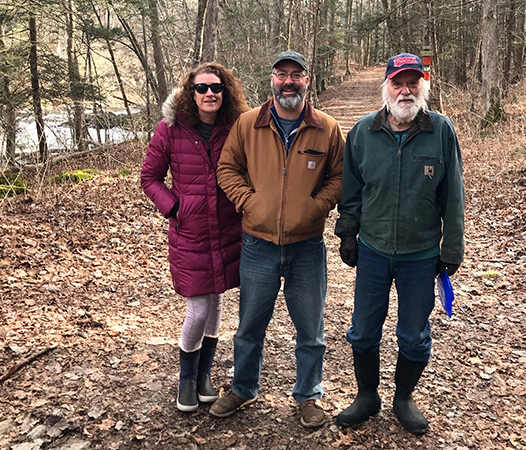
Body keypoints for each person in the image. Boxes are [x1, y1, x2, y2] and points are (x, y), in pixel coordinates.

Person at [210, 51, 345, 428]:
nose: (288, 81)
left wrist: (316, 206)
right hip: (258, 243)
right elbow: (227, 168)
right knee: (250, 325)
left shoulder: (327, 128)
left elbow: (339, 176)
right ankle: (243, 387)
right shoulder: (247, 124)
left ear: (307, 81)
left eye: (296, 75)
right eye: (281, 74)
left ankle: (308, 396)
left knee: (311, 329)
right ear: (271, 80)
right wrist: (249, 203)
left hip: (307, 247)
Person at [334, 53, 465, 435]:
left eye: (413, 82)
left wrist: (451, 249)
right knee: (363, 329)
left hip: (421, 255)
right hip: (373, 250)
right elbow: (352, 191)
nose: (405, 90)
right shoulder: (362, 132)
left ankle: (404, 397)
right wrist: (347, 231)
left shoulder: (441, 131)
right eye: (398, 82)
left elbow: (452, 195)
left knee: (413, 333)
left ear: (423, 86)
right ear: (386, 87)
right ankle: (367, 396)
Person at [141, 63, 249, 412]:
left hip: (228, 229)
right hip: (190, 231)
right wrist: (174, 209)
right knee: (199, 305)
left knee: (216, 302)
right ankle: (186, 378)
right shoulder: (171, 129)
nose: (209, 94)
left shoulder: (237, 127)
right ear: (191, 92)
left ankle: (204, 374)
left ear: (225, 91)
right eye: (201, 88)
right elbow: (150, 177)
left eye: (216, 87)